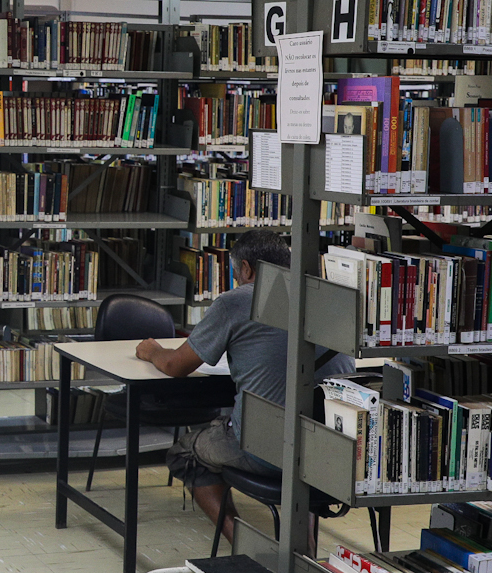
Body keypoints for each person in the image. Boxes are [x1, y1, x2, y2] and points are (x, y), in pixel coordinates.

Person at [133, 228, 355, 544]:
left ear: (247, 269)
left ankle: (242, 543)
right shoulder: (329, 298)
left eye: (237, 273)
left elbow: (175, 366)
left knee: (186, 452)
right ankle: (302, 547)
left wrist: (152, 350)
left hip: (269, 451)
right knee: (300, 434)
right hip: (331, 454)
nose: (238, 280)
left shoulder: (236, 301)